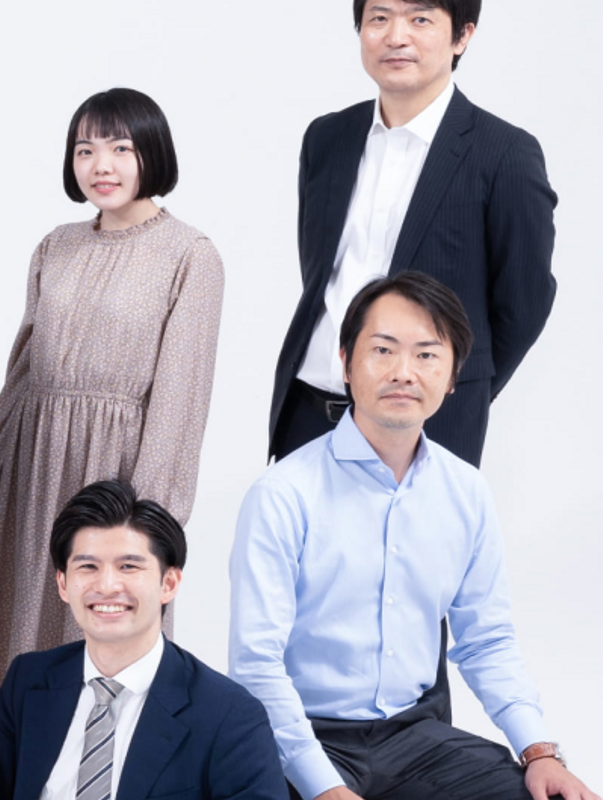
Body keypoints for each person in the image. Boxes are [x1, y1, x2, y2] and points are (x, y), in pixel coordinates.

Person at [233, 272, 593, 800]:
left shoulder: (465, 491)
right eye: (383, 350)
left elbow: (487, 640)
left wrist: (540, 751)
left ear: (452, 377)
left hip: (415, 738)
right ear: (346, 363)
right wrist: (325, 788)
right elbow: (255, 663)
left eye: (426, 355)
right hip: (302, 737)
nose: (403, 372)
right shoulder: (283, 493)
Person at [0, 88, 223, 745]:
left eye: (120, 148)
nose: (101, 164)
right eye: (85, 150)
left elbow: (182, 393)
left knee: (105, 617)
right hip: (37, 463)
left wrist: (150, 515)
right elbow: (26, 365)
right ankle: (12, 760)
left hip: (117, 473)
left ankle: (100, 767)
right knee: (27, 612)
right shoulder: (56, 246)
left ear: (152, 153)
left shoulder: (190, 255)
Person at [267, 0, 554, 467]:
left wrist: (453, 387)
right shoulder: (326, 138)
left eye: (420, 19)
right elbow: (319, 274)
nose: (396, 36)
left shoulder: (504, 153)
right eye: (379, 18)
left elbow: (525, 304)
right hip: (309, 409)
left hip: (427, 423)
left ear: (462, 35)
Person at [0, 480, 285, 800]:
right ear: (63, 584)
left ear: (168, 584)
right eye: (88, 567)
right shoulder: (29, 680)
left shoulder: (230, 715)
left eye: (128, 567)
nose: (106, 586)